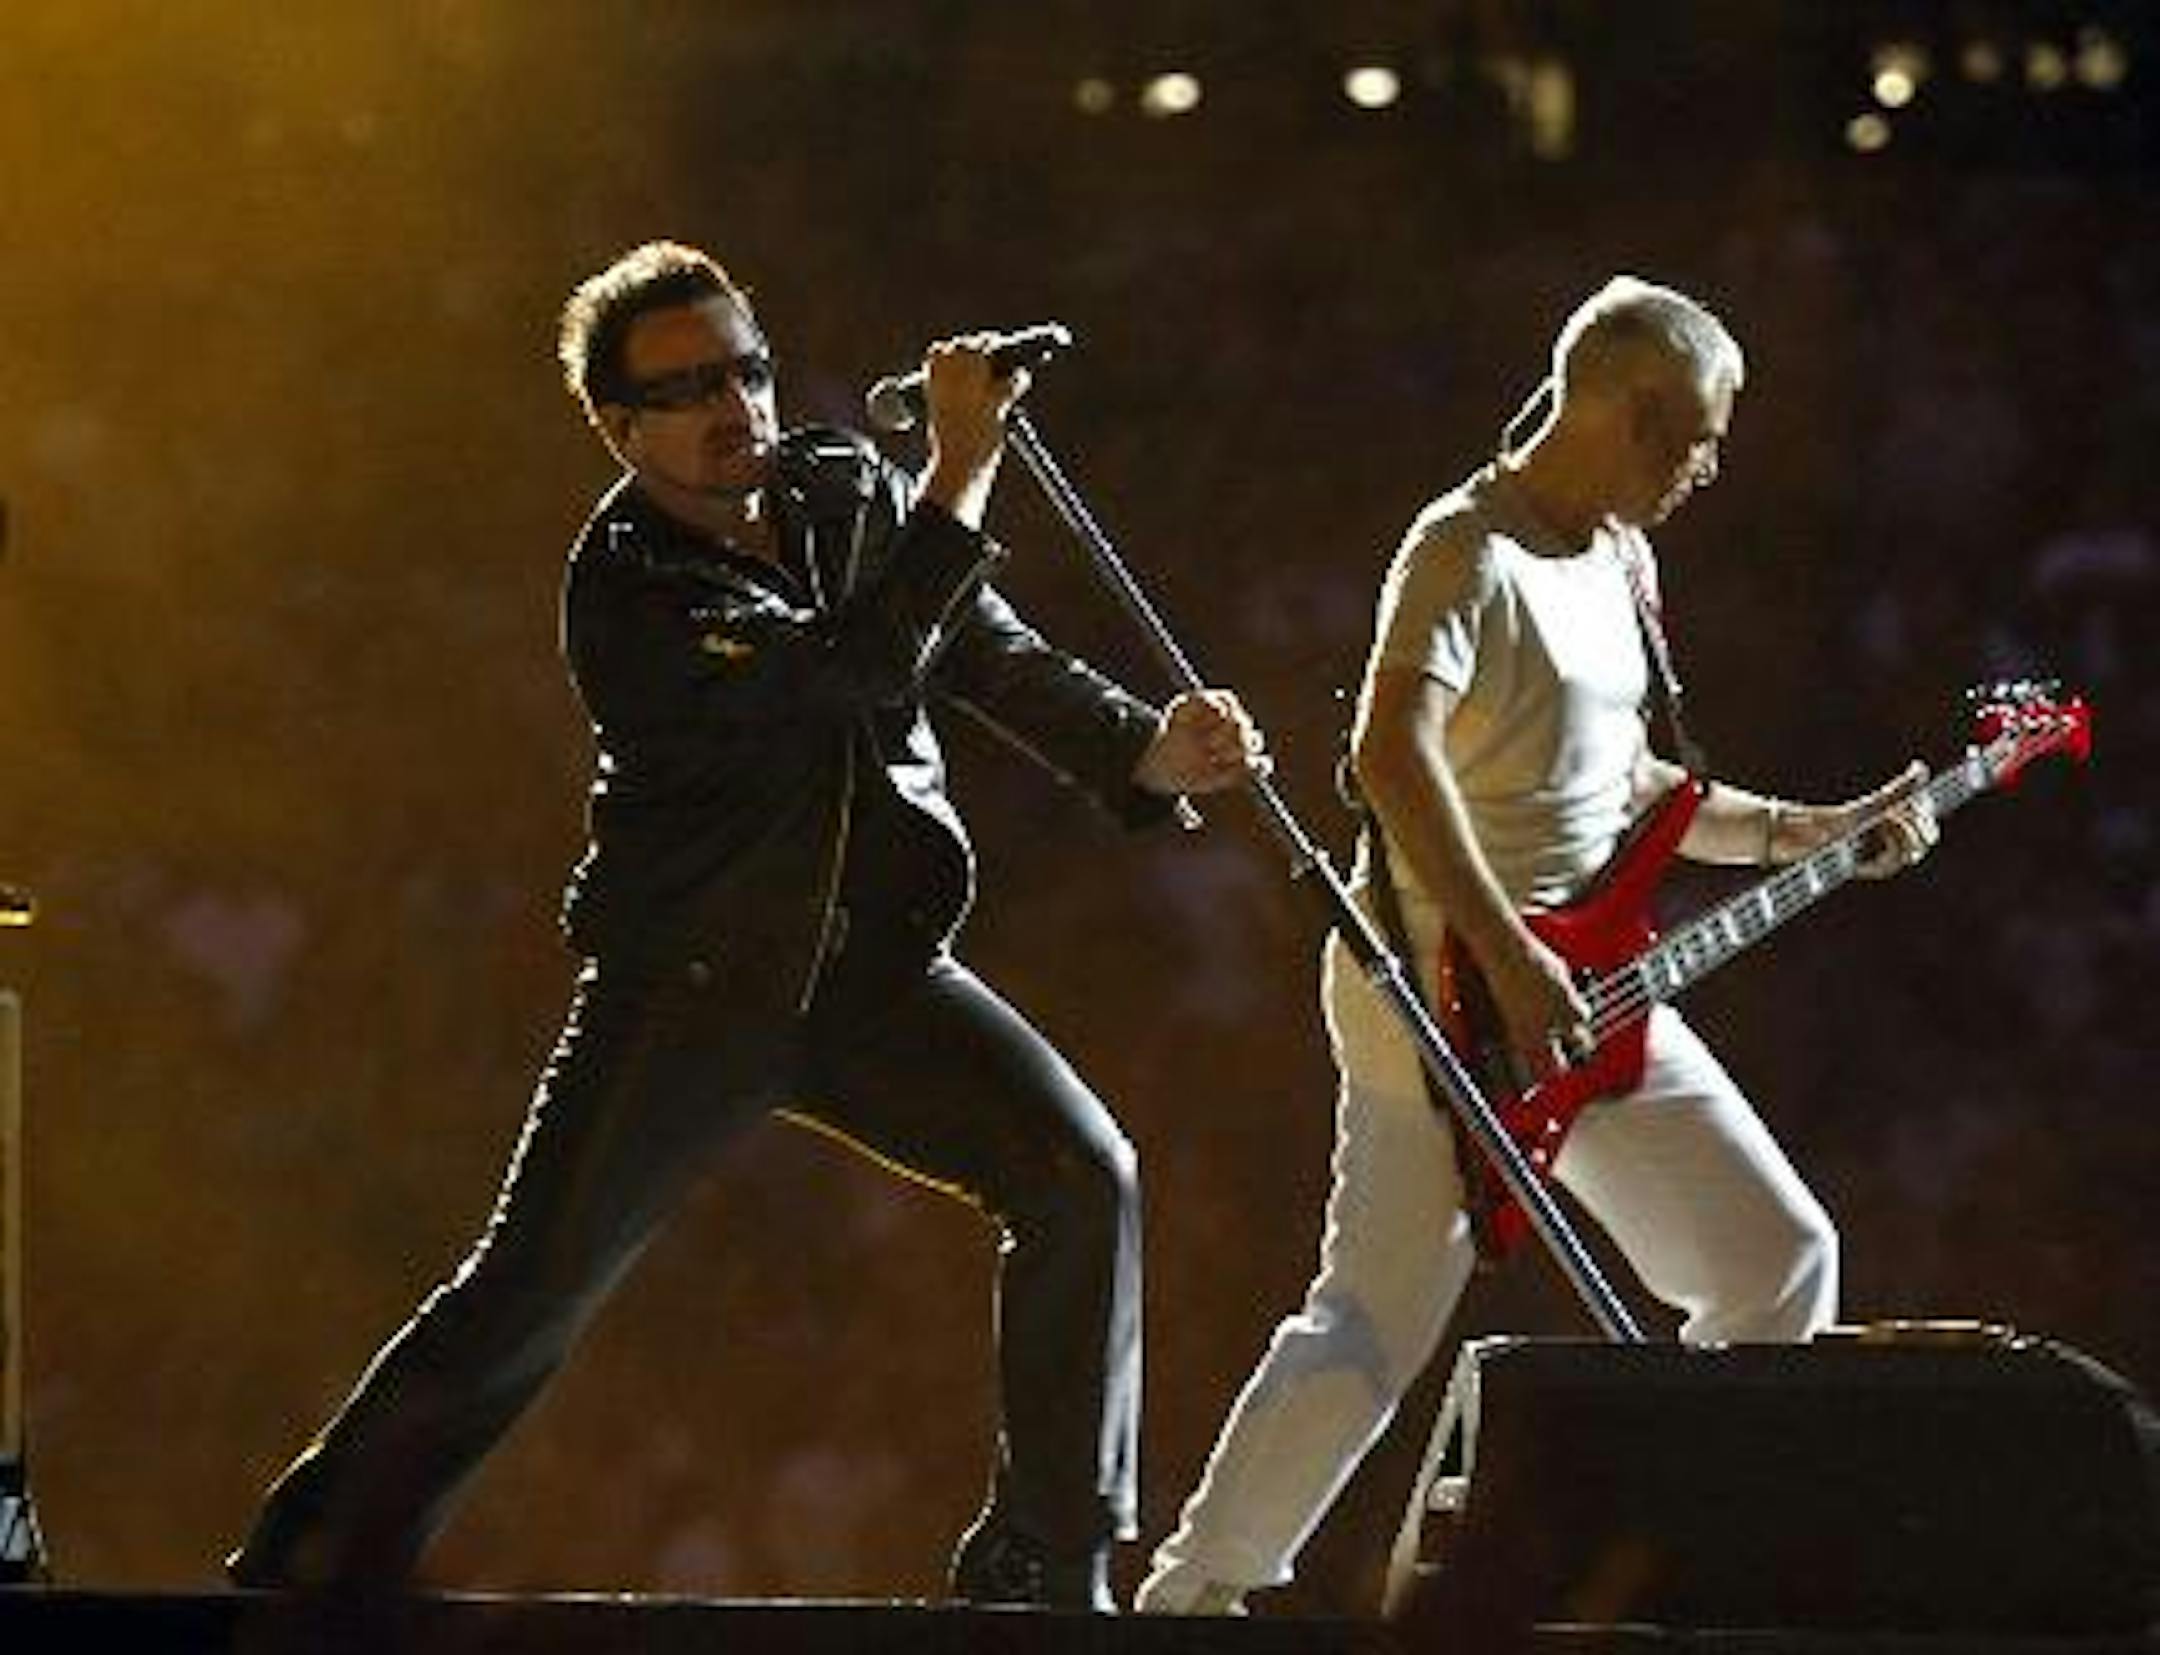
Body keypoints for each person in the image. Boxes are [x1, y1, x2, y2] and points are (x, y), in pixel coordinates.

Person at [226, 240, 1264, 1612]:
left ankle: (1049, 1560)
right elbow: (845, 681)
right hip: (695, 988)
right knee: (530, 1293)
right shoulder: (629, 588)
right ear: (618, 424)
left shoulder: (838, 487)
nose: (740, 407)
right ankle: (299, 1571)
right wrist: (960, 472)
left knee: (1085, 1178)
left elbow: (978, 645)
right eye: (692, 387)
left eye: (751, 370)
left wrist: (1143, 753)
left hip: (868, 975)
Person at [1136, 276, 1937, 1615]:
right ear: (1628, 411)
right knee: (1374, 1320)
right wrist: (1507, 955)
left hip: (1584, 989)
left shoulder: (1624, 559)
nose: (1712, 467)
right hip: (1440, 995)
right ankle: (1192, 1595)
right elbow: (1385, 756)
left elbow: (1630, 789)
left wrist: (1819, 831)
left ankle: (1683, 1561)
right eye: (1698, 437)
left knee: (1774, 1259)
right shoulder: (1463, 552)